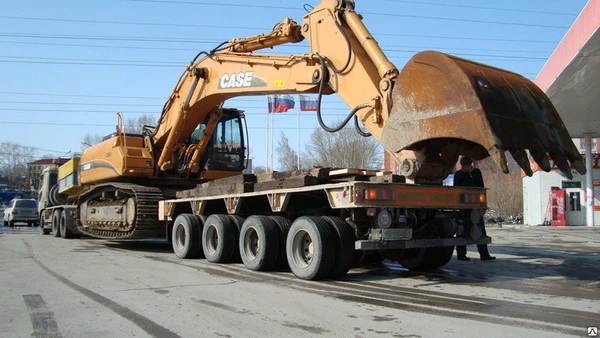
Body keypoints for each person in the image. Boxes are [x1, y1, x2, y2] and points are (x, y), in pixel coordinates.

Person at [454, 156, 496, 261]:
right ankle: (461, 254)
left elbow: (481, 189)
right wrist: (457, 207)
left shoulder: (476, 173)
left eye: (466, 166)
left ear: (470, 165)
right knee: (461, 230)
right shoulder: (458, 174)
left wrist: (483, 207)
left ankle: (484, 254)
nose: (464, 168)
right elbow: (456, 191)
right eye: (462, 166)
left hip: (476, 206)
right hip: (463, 207)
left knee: (480, 229)